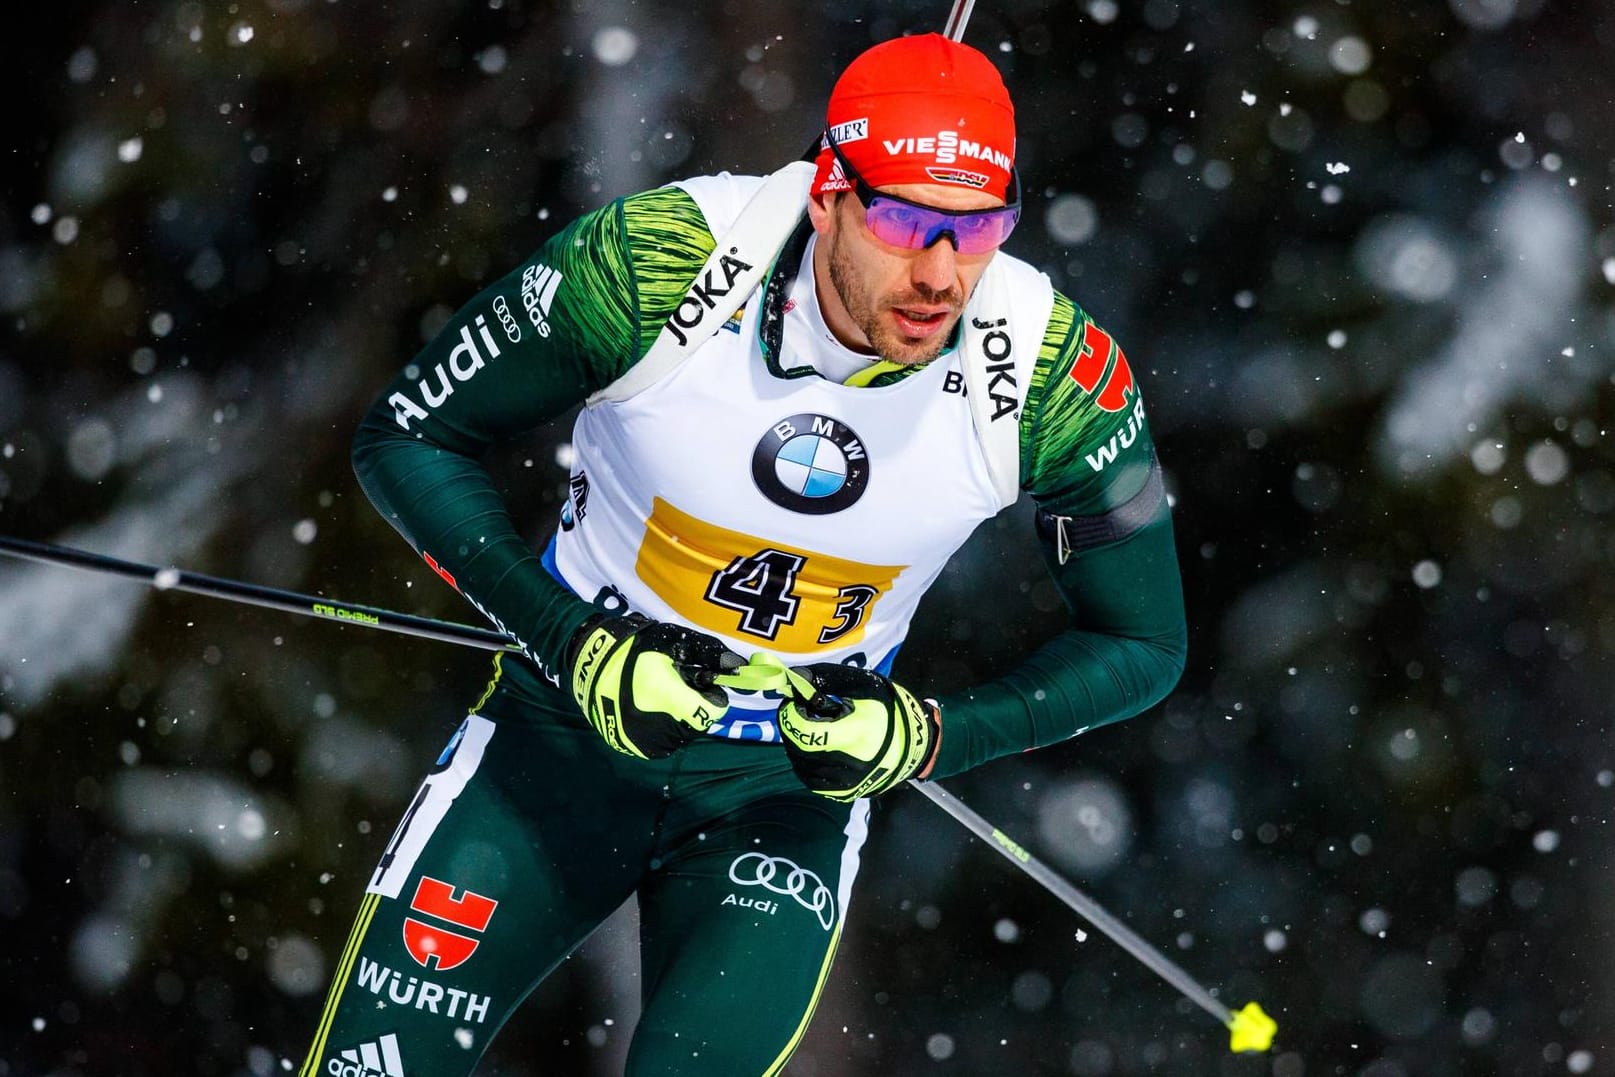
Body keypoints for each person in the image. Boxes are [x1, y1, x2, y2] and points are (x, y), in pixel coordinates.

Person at [299, 32, 1186, 1077]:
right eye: (904, 221)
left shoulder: (1051, 379)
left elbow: (1143, 641)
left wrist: (929, 735)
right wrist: (574, 642)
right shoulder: (657, 265)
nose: (942, 274)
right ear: (826, 197)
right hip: (553, 748)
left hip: (780, 802)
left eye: (980, 226)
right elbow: (407, 433)